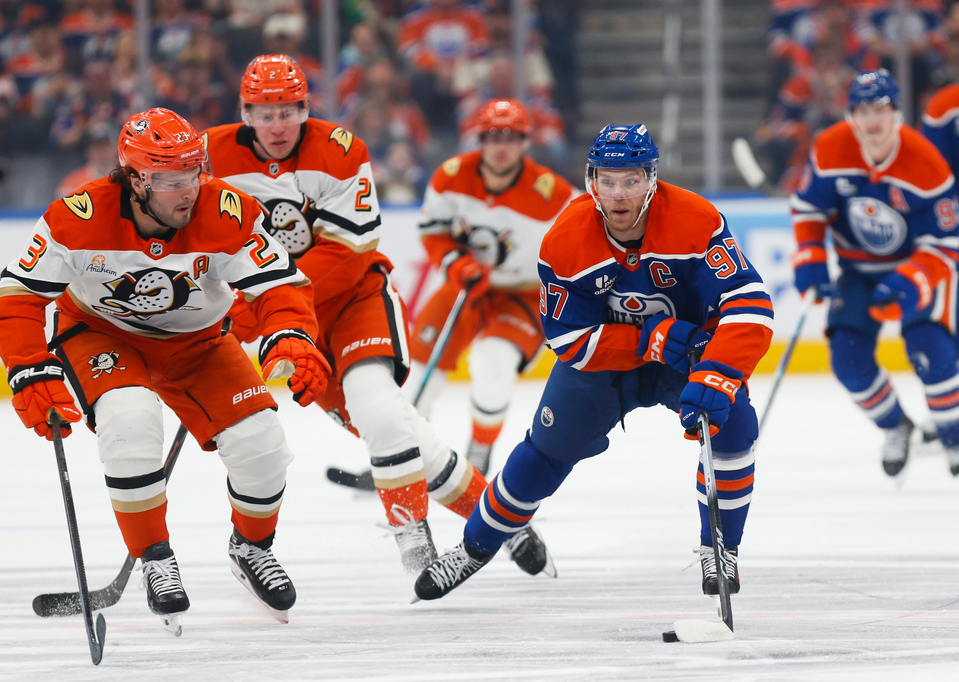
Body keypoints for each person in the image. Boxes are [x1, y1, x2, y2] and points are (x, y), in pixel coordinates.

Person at [201, 55, 552, 577]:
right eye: (264, 113)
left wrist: (261, 303)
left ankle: (411, 533)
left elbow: (348, 251)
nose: (277, 125)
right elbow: (194, 242)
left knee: (381, 409)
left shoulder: (341, 151)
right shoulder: (209, 155)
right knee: (402, 431)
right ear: (244, 112)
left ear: (305, 107)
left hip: (353, 301)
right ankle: (503, 523)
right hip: (293, 326)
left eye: (287, 111)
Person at [0, 107, 330, 632]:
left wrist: (291, 332)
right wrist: (29, 369)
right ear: (136, 178)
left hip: (199, 342)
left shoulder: (228, 211)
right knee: (130, 420)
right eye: (170, 178)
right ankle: (156, 558)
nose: (187, 189)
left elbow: (280, 286)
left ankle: (251, 548)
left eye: (194, 172)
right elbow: (15, 301)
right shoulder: (77, 216)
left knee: (262, 443)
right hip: (103, 334)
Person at [413, 123, 774, 602]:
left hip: (690, 355)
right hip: (608, 363)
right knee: (543, 455)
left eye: (631, 179)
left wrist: (720, 372)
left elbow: (749, 302)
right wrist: (654, 339)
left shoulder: (695, 219)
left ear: (652, 178)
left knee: (734, 429)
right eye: (608, 179)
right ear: (591, 181)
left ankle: (721, 548)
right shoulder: (564, 240)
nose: (619, 193)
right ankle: (475, 548)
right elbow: (571, 341)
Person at [792, 69, 959, 477]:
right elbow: (809, 208)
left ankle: (953, 435)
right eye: (862, 110)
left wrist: (906, 282)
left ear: (897, 114)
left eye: (881, 109)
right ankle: (897, 426)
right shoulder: (831, 148)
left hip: (916, 269)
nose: (872, 121)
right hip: (859, 272)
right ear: (850, 116)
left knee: (930, 351)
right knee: (847, 359)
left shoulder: (927, 163)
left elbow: (947, 244)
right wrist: (811, 256)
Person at [407, 99, 576, 474]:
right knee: (418, 369)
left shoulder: (553, 194)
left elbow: (589, 241)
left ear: (525, 142)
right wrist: (456, 263)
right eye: (493, 137)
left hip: (524, 292)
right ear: (479, 139)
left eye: (512, 137)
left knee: (493, 365)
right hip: (467, 283)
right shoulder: (451, 176)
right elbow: (432, 230)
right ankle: (402, 455)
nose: (502, 146)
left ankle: (478, 459)